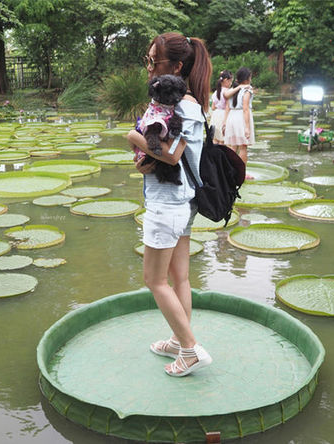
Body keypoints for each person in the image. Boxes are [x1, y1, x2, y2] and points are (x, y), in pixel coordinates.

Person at [126, 32, 213, 377]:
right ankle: (179, 341)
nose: (149, 67)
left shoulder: (183, 107)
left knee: (154, 280)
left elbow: (174, 155)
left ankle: (190, 350)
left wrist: (133, 137)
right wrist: (145, 159)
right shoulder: (184, 102)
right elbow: (167, 154)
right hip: (181, 202)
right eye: (147, 60)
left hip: (168, 204)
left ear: (176, 67)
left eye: (154, 61)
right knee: (180, 278)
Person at [223, 67, 254, 167]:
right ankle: (242, 172)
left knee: (233, 146)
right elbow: (245, 109)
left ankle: (231, 170)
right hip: (241, 118)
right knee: (243, 147)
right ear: (247, 78)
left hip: (231, 117)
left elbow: (227, 103)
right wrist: (247, 128)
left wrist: (224, 122)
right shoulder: (247, 90)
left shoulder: (233, 89)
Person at [209, 70, 233, 144]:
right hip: (224, 115)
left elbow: (213, 107)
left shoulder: (216, 92)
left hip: (215, 116)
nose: (231, 83)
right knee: (222, 140)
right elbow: (228, 107)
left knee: (215, 139)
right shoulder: (228, 92)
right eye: (230, 81)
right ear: (226, 80)